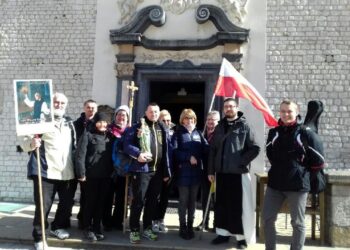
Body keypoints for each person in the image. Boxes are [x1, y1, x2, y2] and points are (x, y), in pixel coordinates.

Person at [263, 100, 325, 250]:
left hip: (297, 186)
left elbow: (319, 161)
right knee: (267, 219)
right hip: (275, 184)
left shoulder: (305, 133)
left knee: (297, 223)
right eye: (283, 111)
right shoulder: (274, 132)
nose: (286, 114)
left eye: (289, 111)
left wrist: (298, 170)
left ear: (297, 112)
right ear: (280, 113)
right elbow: (270, 154)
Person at [21, 92, 76, 250]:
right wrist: (31, 142)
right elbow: (25, 141)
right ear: (50, 104)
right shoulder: (40, 120)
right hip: (45, 171)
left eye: (62, 103)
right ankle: (39, 237)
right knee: (43, 207)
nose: (59, 105)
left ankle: (56, 227)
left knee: (67, 204)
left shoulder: (69, 123)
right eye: (56, 103)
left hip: (67, 172)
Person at [208, 98, 260, 249]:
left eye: (231, 106)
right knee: (222, 205)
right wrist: (211, 171)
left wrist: (241, 162)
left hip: (238, 173)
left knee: (239, 207)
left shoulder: (245, 125)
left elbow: (255, 148)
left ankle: (241, 237)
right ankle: (222, 234)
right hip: (222, 173)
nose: (228, 109)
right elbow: (213, 150)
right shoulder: (220, 127)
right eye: (226, 107)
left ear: (237, 108)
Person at [123, 103, 171, 244]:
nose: (154, 114)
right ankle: (135, 230)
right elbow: (126, 145)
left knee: (152, 202)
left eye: (156, 112)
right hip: (142, 170)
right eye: (151, 112)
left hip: (157, 172)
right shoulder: (137, 127)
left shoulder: (161, 128)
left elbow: (167, 150)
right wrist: (137, 154)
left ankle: (148, 228)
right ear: (146, 112)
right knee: (138, 201)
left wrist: (167, 171)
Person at [75, 112, 114, 241]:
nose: (103, 124)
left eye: (105, 122)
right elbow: (80, 155)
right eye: (100, 121)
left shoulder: (110, 137)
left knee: (100, 203)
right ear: (95, 122)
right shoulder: (88, 135)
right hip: (90, 176)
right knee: (89, 203)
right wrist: (81, 173)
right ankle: (87, 227)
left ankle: (97, 227)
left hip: (105, 176)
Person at [172, 108, 209, 240]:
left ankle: (190, 226)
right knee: (183, 201)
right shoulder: (177, 134)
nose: (189, 121)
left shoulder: (199, 133)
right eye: (187, 119)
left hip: (196, 173)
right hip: (183, 173)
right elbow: (174, 151)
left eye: (192, 119)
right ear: (182, 120)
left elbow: (206, 150)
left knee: (193, 202)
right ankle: (182, 227)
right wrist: (188, 157)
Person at [102, 105, 130, 231]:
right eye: (119, 115)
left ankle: (118, 221)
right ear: (115, 116)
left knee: (121, 197)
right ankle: (106, 221)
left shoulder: (130, 132)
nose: (121, 117)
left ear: (127, 118)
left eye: (124, 115)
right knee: (107, 196)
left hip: (124, 170)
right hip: (109, 168)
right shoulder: (108, 130)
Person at [73, 99, 98, 229]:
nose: (91, 109)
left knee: (86, 195)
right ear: (84, 108)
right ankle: (67, 219)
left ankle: (84, 219)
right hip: (74, 162)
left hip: (89, 165)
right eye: (88, 107)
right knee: (70, 193)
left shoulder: (98, 125)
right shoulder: (76, 124)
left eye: (93, 107)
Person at [196, 110, 220, 231]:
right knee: (205, 197)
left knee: (217, 198)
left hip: (216, 171)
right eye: (209, 119)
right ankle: (205, 222)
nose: (210, 122)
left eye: (213, 120)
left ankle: (217, 223)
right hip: (204, 170)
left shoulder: (221, 134)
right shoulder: (202, 134)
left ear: (218, 121)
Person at [151, 109, 175, 233]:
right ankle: (153, 220)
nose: (166, 122)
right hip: (157, 170)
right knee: (155, 196)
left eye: (168, 120)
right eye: (163, 120)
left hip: (170, 170)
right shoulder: (155, 131)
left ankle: (161, 219)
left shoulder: (174, 132)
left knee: (165, 197)